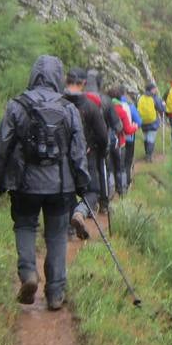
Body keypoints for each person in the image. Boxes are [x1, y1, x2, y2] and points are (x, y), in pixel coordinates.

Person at [0, 55, 89, 311]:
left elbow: (2, 146)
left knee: (24, 226)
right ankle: (55, 293)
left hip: (24, 184)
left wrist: (0, 179)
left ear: (33, 75)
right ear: (59, 77)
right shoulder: (69, 109)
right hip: (60, 186)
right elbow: (78, 151)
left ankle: (28, 274)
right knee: (56, 235)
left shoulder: (16, 106)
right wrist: (82, 184)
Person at [63, 67, 109, 241]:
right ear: (82, 83)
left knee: (68, 190)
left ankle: (68, 229)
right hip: (86, 156)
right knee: (92, 191)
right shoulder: (90, 106)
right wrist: (102, 152)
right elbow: (102, 135)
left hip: (61, 158)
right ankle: (80, 212)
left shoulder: (57, 102)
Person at [85, 70, 122, 203]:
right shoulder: (105, 100)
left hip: (84, 143)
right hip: (101, 140)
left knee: (88, 170)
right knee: (102, 169)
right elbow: (117, 125)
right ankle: (104, 202)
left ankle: (88, 203)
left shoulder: (79, 99)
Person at [107, 86, 137, 194]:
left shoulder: (104, 109)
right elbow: (128, 130)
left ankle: (109, 190)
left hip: (107, 143)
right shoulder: (122, 111)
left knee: (109, 168)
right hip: (120, 143)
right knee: (121, 168)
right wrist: (135, 127)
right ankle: (122, 190)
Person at [137, 80, 165, 161]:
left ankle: (147, 154)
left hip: (143, 121)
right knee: (151, 138)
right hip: (152, 121)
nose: (155, 90)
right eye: (154, 88)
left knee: (146, 138)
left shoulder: (141, 97)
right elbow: (161, 109)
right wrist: (163, 106)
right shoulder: (155, 98)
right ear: (152, 89)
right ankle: (149, 156)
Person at [119, 87, 141, 185]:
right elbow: (139, 122)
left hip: (115, 139)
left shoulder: (110, 104)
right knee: (127, 161)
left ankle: (116, 183)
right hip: (129, 137)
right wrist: (135, 126)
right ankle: (126, 182)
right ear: (125, 94)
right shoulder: (130, 106)